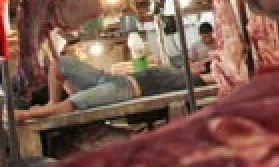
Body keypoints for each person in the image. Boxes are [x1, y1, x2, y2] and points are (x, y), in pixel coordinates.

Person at [15, 53, 209, 122]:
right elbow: (56, 65)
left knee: (70, 103)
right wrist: (50, 102)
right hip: (116, 80)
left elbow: (66, 107)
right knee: (61, 62)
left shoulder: (188, 80)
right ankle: (51, 102)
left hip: (125, 89)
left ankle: (46, 106)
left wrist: (26, 115)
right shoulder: (171, 72)